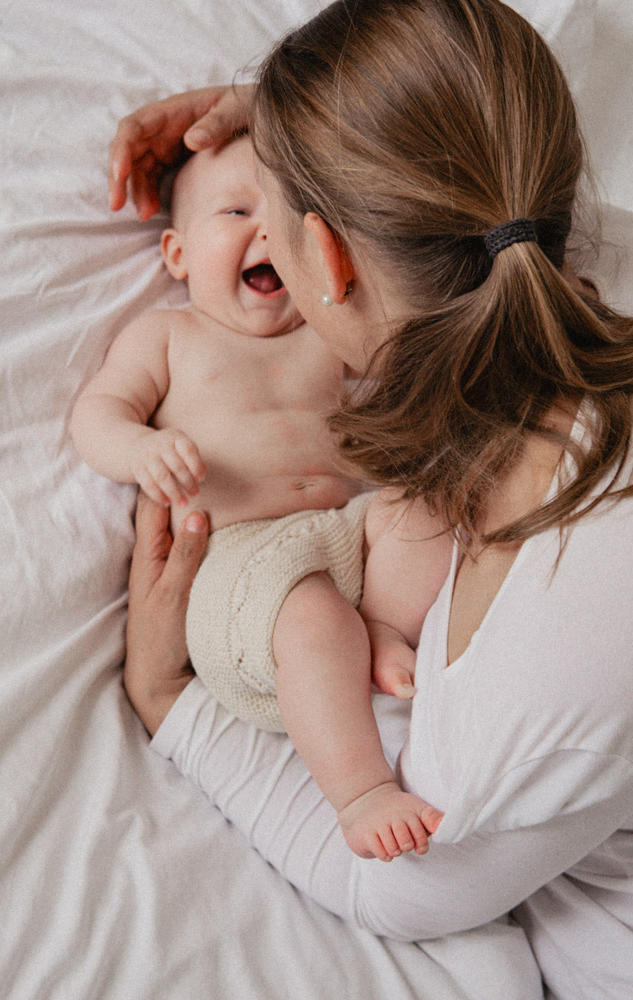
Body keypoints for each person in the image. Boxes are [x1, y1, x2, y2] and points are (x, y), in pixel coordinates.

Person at [110, 1, 633, 996]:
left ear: (330, 261)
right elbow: (472, 134)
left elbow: (396, 888)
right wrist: (287, 119)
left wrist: (167, 697)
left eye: (264, 211)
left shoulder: (542, 681)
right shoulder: (545, 295)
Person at [73, 133, 451, 862]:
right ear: (178, 257)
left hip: (343, 531)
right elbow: (98, 415)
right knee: (311, 619)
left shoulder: (325, 331)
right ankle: (361, 791)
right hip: (243, 567)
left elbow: (402, 352)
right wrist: (142, 449)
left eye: (284, 212)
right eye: (235, 210)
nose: (266, 229)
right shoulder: (169, 336)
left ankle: (376, 626)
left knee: (426, 508)